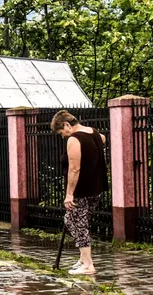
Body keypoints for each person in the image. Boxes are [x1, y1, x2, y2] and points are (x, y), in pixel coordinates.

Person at [52, 110, 108, 275]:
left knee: (80, 225)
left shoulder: (74, 139)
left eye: (62, 132)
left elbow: (74, 169)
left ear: (67, 125)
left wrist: (69, 194)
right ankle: (84, 258)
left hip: (81, 190)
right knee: (71, 220)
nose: (63, 136)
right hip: (96, 188)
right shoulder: (94, 132)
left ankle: (88, 265)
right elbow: (103, 139)